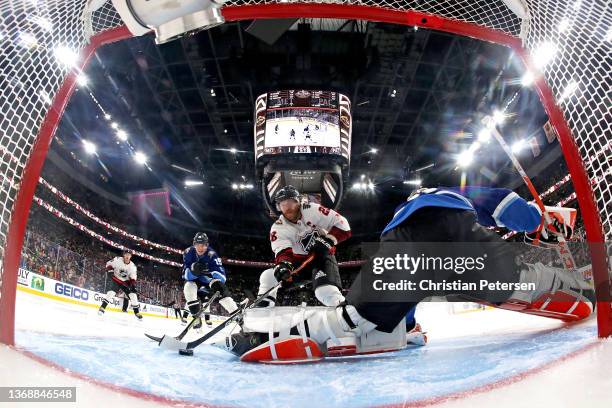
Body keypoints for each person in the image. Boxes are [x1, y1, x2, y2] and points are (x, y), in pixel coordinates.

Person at [221, 186, 594, 362]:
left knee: (350, 318)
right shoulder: (453, 194)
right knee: (513, 279)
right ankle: (565, 283)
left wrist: (406, 325)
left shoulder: (401, 218)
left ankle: (257, 336)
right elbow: (505, 205)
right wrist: (538, 222)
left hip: (399, 247)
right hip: (455, 234)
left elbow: (413, 279)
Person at [256, 185, 352, 308]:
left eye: (291, 202)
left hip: (321, 258)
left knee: (325, 291)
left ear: (299, 201)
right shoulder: (278, 227)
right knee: (268, 276)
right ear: (278, 207)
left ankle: (346, 314)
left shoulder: (313, 209)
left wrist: (329, 241)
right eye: (283, 204)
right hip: (300, 263)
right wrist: (284, 265)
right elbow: (283, 252)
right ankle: (262, 310)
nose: (288, 207)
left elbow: (343, 225)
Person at [182, 232, 237, 328]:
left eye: (203, 245)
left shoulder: (212, 255)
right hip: (194, 280)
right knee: (188, 288)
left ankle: (236, 313)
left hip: (207, 280)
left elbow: (222, 278)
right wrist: (194, 271)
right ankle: (196, 319)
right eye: (198, 245)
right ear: (194, 244)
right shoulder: (188, 252)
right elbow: (185, 275)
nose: (200, 248)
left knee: (218, 286)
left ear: (207, 245)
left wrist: (213, 274)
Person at [98, 250, 142, 320]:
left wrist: (131, 284)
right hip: (116, 279)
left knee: (133, 295)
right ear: (123, 255)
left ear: (131, 256)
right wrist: (110, 271)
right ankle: (102, 308)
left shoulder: (133, 266)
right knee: (111, 293)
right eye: (126, 254)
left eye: (129, 255)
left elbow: (133, 277)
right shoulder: (117, 259)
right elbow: (108, 264)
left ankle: (137, 313)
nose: (127, 256)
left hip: (126, 281)